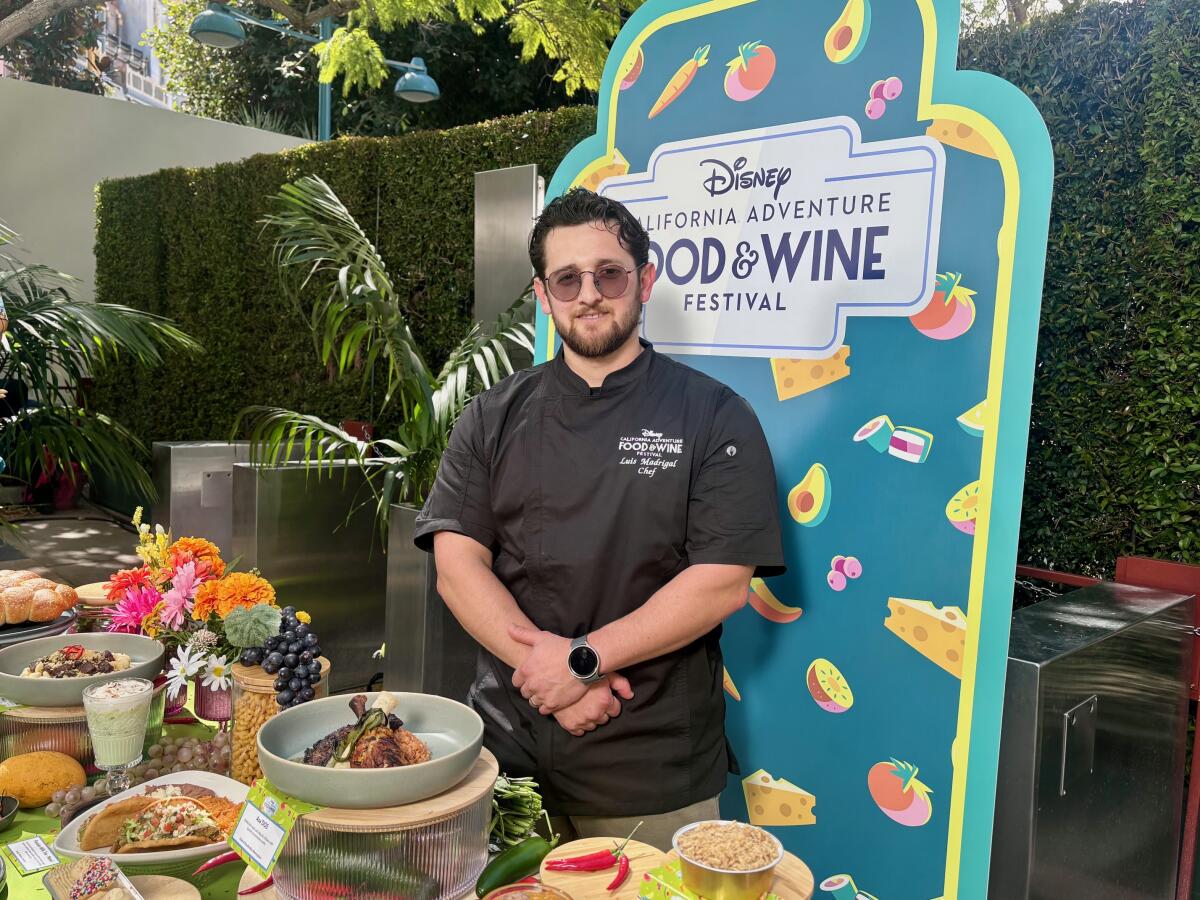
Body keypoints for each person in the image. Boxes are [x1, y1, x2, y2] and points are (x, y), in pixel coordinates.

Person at [414, 188, 785, 851]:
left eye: (609, 272)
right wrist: (551, 675)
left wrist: (583, 662)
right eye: (567, 278)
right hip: (509, 756)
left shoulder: (715, 417)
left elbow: (723, 581)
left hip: (649, 769)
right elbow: (456, 564)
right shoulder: (492, 416)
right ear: (543, 293)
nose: (589, 292)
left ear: (644, 279)